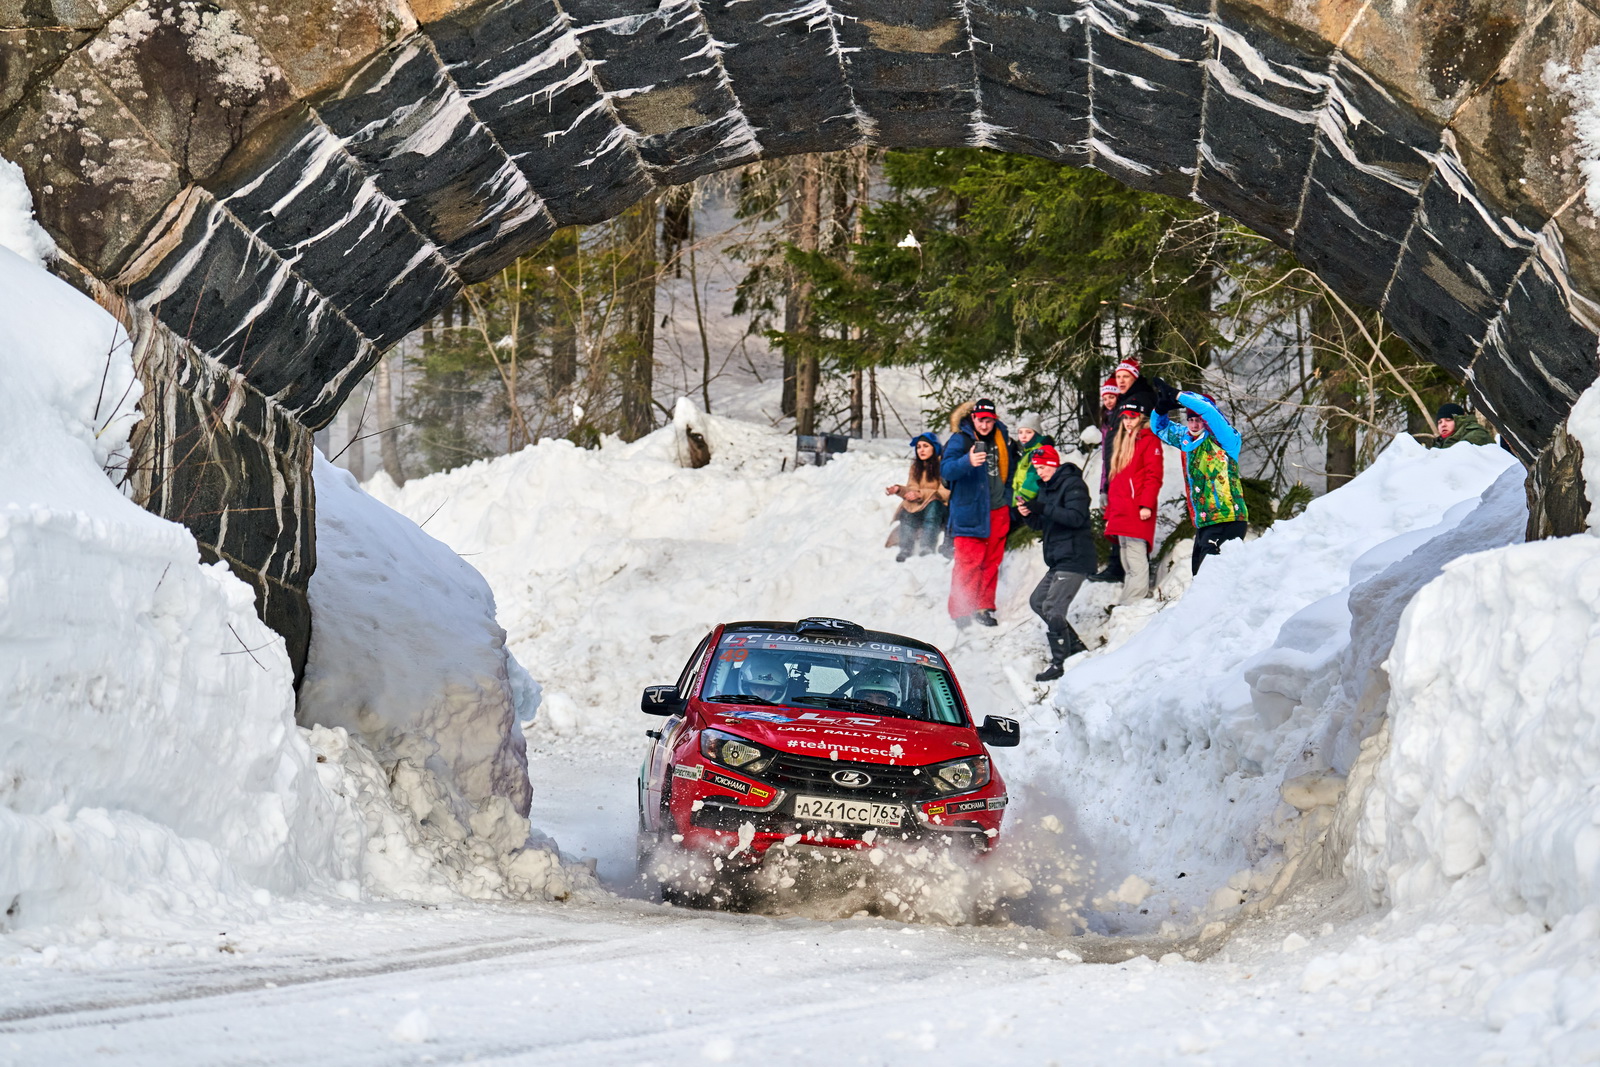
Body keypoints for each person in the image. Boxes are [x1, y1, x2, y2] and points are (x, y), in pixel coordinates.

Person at [1150, 386, 1248, 575]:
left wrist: (1179, 396)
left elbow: (1209, 412)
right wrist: (1160, 409)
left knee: (1213, 579)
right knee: (1199, 579)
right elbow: (1159, 427)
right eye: (1190, 420)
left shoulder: (1225, 439)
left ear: (1207, 422)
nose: (1194, 425)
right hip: (1204, 523)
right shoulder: (1186, 439)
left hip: (1228, 520)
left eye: (1199, 421)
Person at [1016, 445, 1093, 681]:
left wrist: (1043, 508)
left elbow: (1076, 517)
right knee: (1038, 601)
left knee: (1052, 608)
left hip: (1075, 557)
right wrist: (1029, 515)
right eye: (1036, 468)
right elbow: (1044, 524)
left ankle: (1060, 663)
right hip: (1058, 559)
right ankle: (1075, 647)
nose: (1039, 472)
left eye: (1042, 467)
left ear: (1053, 463)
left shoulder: (1073, 484)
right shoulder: (1046, 489)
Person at [941, 398, 1014, 628]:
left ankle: (983, 607)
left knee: (991, 563)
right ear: (973, 418)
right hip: (969, 511)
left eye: (990, 421)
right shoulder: (960, 440)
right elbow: (946, 470)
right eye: (981, 420)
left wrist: (1008, 498)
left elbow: (1010, 470)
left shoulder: (1001, 438)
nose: (985, 425)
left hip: (997, 510)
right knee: (967, 564)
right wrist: (968, 461)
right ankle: (962, 609)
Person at [1102, 397, 1164, 602]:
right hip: (1120, 510)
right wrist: (1110, 513)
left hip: (1137, 509)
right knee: (1126, 561)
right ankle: (1128, 602)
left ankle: (1133, 603)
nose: (1128, 421)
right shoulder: (1121, 441)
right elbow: (1116, 483)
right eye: (1125, 418)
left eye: (1132, 417)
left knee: (1136, 561)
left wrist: (1146, 504)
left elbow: (1153, 476)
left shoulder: (1148, 439)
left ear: (1141, 417)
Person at [886, 433, 950, 561]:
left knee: (933, 505)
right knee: (907, 508)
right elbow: (912, 487)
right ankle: (905, 548)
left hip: (940, 508)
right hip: (922, 504)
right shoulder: (916, 466)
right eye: (919, 447)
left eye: (926, 446)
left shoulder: (943, 465)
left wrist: (920, 494)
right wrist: (900, 490)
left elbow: (945, 493)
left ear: (934, 448)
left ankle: (926, 547)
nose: (921, 450)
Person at [1009, 412, 1053, 524]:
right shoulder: (1027, 452)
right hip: (1020, 499)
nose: (1023, 436)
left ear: (1036, 434)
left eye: (1028, 432)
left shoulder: (1039, 452)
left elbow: (1033, 480)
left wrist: (1017, 500)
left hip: (1029, 501)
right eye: (1020, 432)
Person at [1429, 403, 1494, 448]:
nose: (1443, 425)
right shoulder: (1439, 443)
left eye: (1448, 420)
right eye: (1440, 422)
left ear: (1460, 419)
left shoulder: (1476, 434)